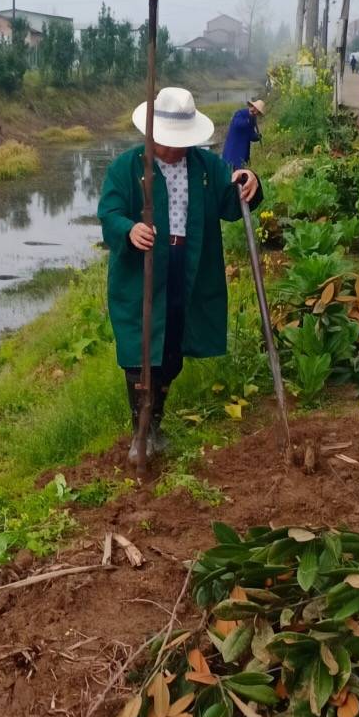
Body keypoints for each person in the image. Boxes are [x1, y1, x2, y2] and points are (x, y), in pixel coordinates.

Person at [97, 87, 262, 465]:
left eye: (179, 142)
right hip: (141, 272)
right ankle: (140, 430)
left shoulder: (205, 167)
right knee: (140, 350)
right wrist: (128, 229)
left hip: (187, 264)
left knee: (171, 349)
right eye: (166, 142)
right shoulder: (127, 166)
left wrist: (248, 182)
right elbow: (109, 211)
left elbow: (232, 203)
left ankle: (155, 422)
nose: (173, 150)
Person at [221, 98, 265, 169]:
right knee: (231, 170)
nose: (256, 113)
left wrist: (257, 137)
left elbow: (250, 134)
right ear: (253, 107)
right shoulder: (240, 113)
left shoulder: (253, 118)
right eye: (257, 110)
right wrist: (249, 119)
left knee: (242, 171)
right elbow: (238, 125)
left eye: (258, 112)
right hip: (233, 148)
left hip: (244, 150)